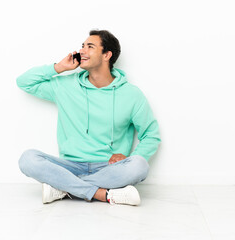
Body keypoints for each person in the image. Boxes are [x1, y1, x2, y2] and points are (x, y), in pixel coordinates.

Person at [16, 29, 161, 206]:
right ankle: (102, 194)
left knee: (139, 165)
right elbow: (24, 82)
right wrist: (59, 67)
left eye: (90, 47)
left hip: (109, 167)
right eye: (82, 46)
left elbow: (151, 135)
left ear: (107, 55)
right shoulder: (65, 86)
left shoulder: (131, 94)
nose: (82, 51)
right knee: (28, 158)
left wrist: (130, 156)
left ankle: (64, 188)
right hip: (69, 166)